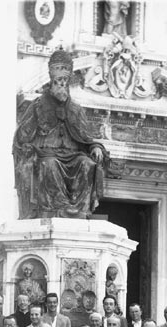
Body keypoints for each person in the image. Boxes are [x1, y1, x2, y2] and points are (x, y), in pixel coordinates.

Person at [13, 48, 107, 220]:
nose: (62, 85)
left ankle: (79, 210)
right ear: (52, 82)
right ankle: (58, 208)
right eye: (58, 81)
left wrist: (96, 146)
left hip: (72, 155)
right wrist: (28, 144)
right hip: (46, 153)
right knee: (50, 165)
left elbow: (86, 137)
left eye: (64, 81)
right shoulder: (38, 105)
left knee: (87, 163)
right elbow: (22, 136)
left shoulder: (76, 109)